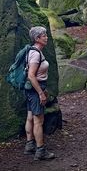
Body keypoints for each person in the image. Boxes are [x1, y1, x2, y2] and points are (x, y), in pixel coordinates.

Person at [24, 26, 55, 161]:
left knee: (30, 116)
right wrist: (41, 93)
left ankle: (30, 145)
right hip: (36, 89)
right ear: (37, 39)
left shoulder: (32, 51)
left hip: (31, 89)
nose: (46, 37)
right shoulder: (36, 54)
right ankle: (40, 150)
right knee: (38, 120)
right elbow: (31, 75)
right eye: (44, 36)